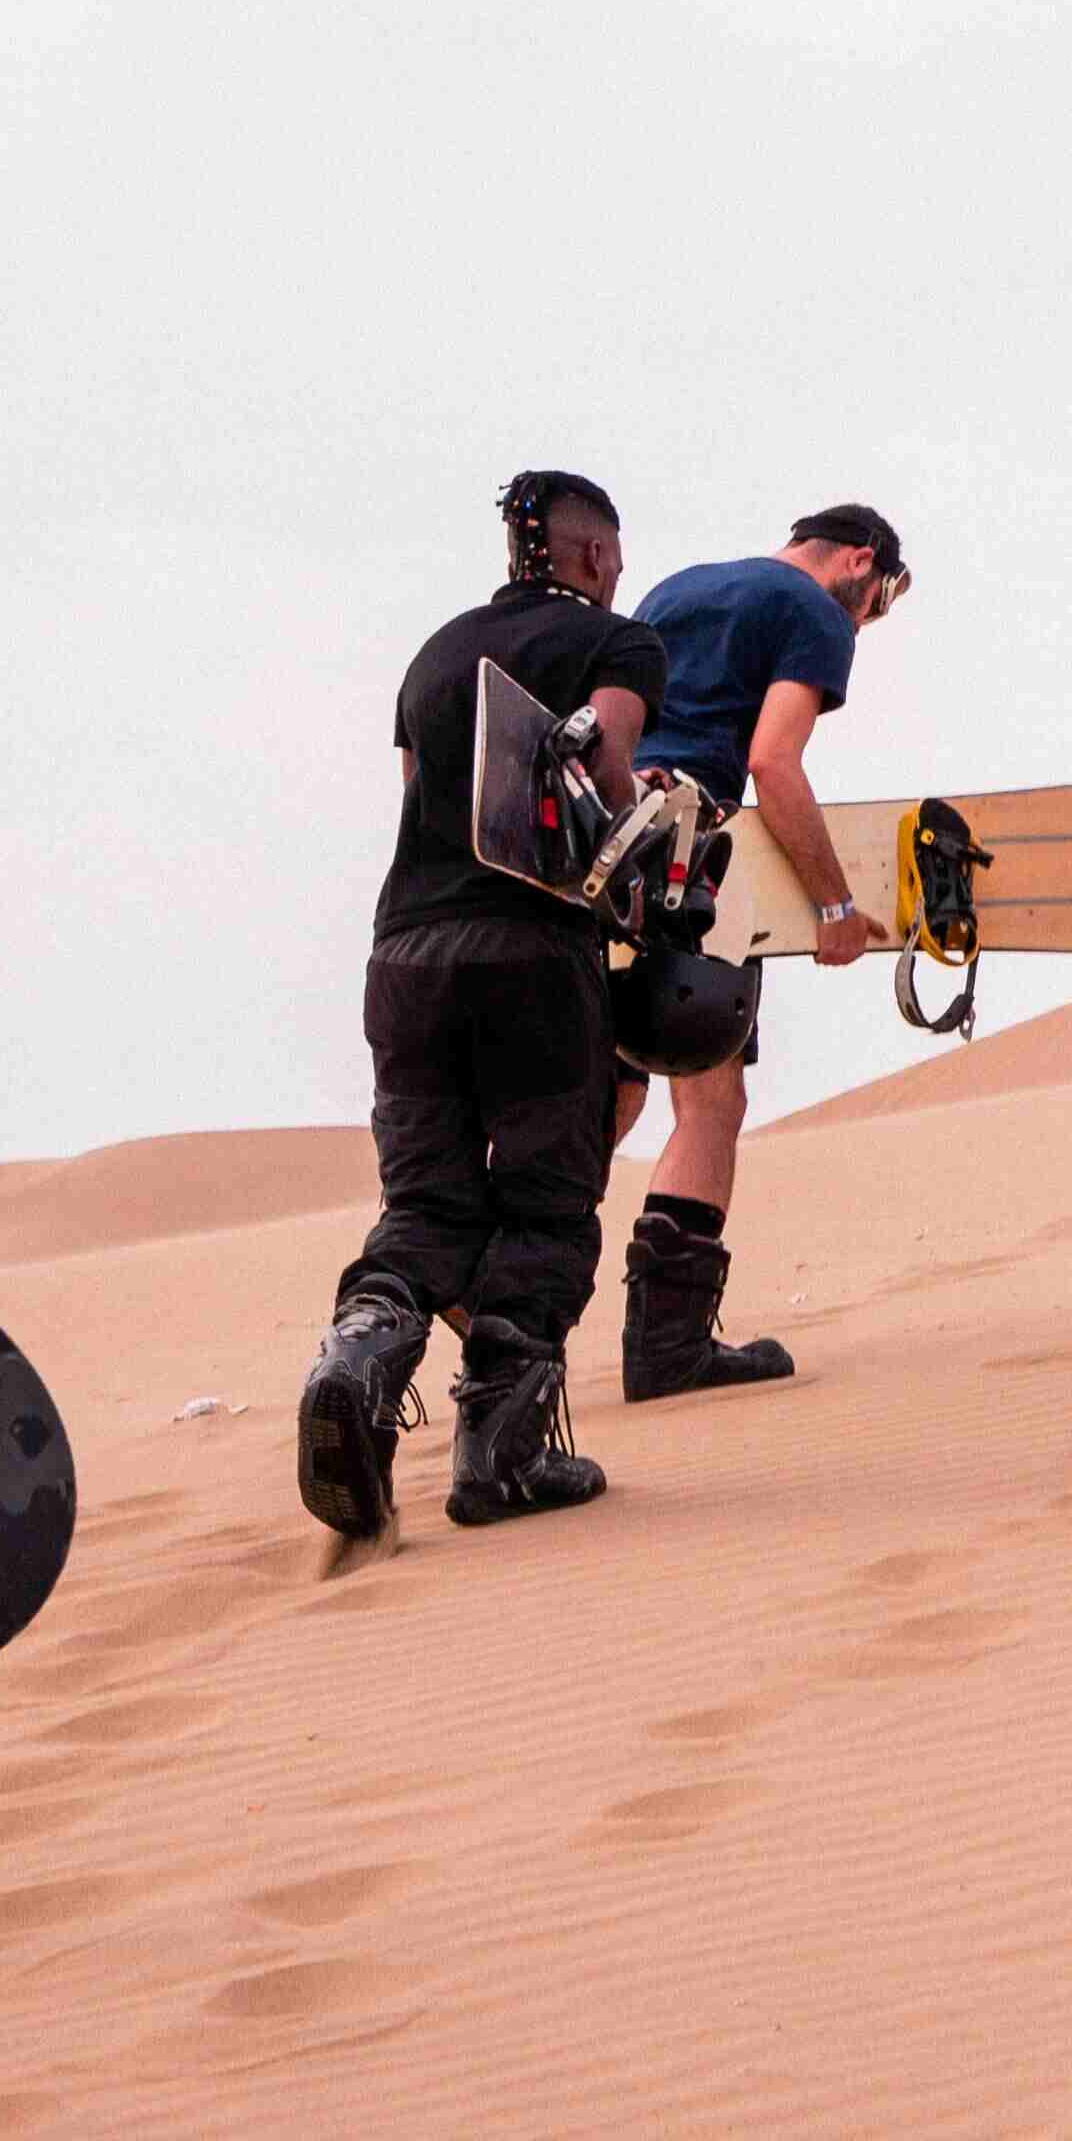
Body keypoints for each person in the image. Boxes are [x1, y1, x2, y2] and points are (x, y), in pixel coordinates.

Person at [298, 472, 668, 1543]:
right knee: (550, 1201)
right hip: (533, 955)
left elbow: (424, 792)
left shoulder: (434, 653)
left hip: (406, 953)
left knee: (426, 1205)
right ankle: (500, 1457)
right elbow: (607, 758)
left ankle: (360, 1357)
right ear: (594, 556)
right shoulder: (619, 644)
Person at [602, 507, 908, 1401]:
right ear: (860, 560)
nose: (865, 623)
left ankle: (511, 1319)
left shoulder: (674, 588)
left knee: (609, 1095)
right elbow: (774, 763)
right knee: (710, 1098)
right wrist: (835, 907)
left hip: (604, 844)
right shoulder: (811, 609)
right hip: (696, 856)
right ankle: (668, 1348)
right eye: (876, 602)